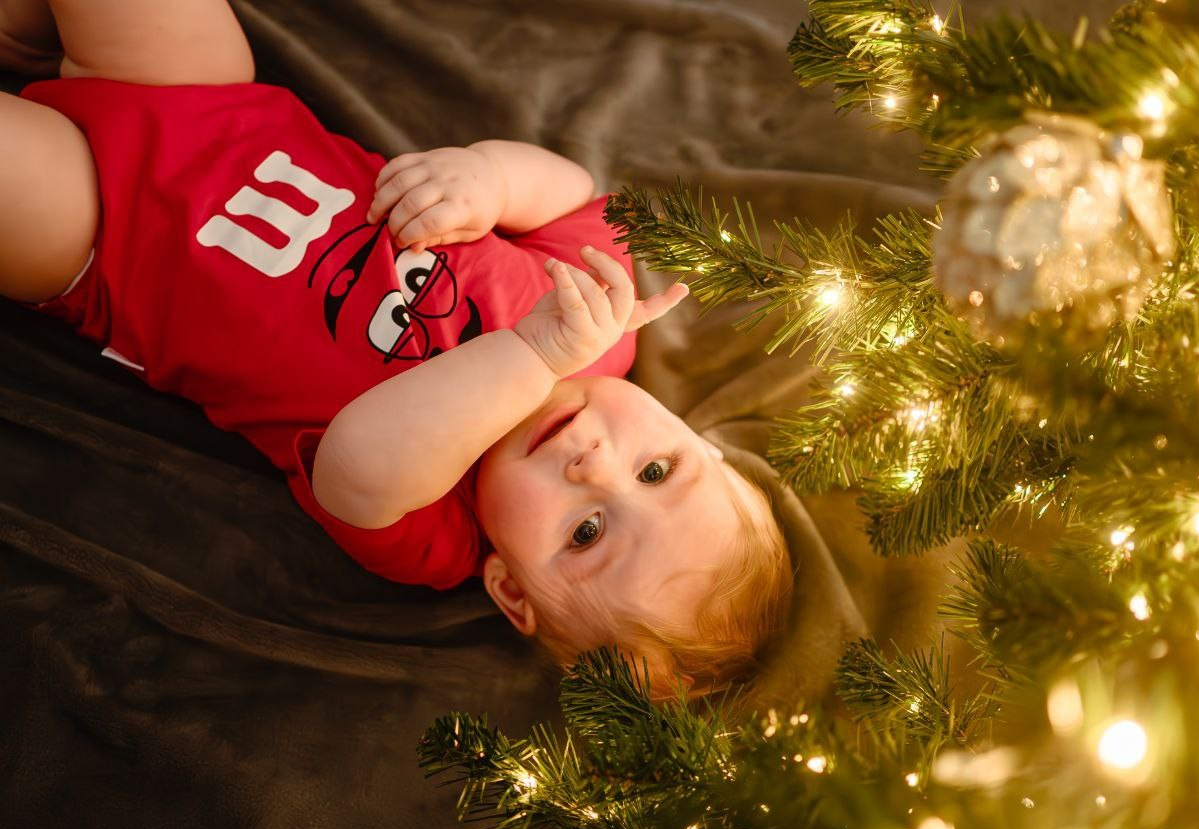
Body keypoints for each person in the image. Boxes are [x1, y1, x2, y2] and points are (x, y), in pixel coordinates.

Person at [0, 0, 792, 695]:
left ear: (511, 589)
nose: (595, 465)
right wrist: (490, 180)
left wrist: (537, 355)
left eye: (584, 532)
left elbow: (355, 459)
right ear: (702, 443)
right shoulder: (602, 317)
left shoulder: (436, 531)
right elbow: (579, 196)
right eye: (657, 470)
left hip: (105, 237)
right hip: (209, 94)